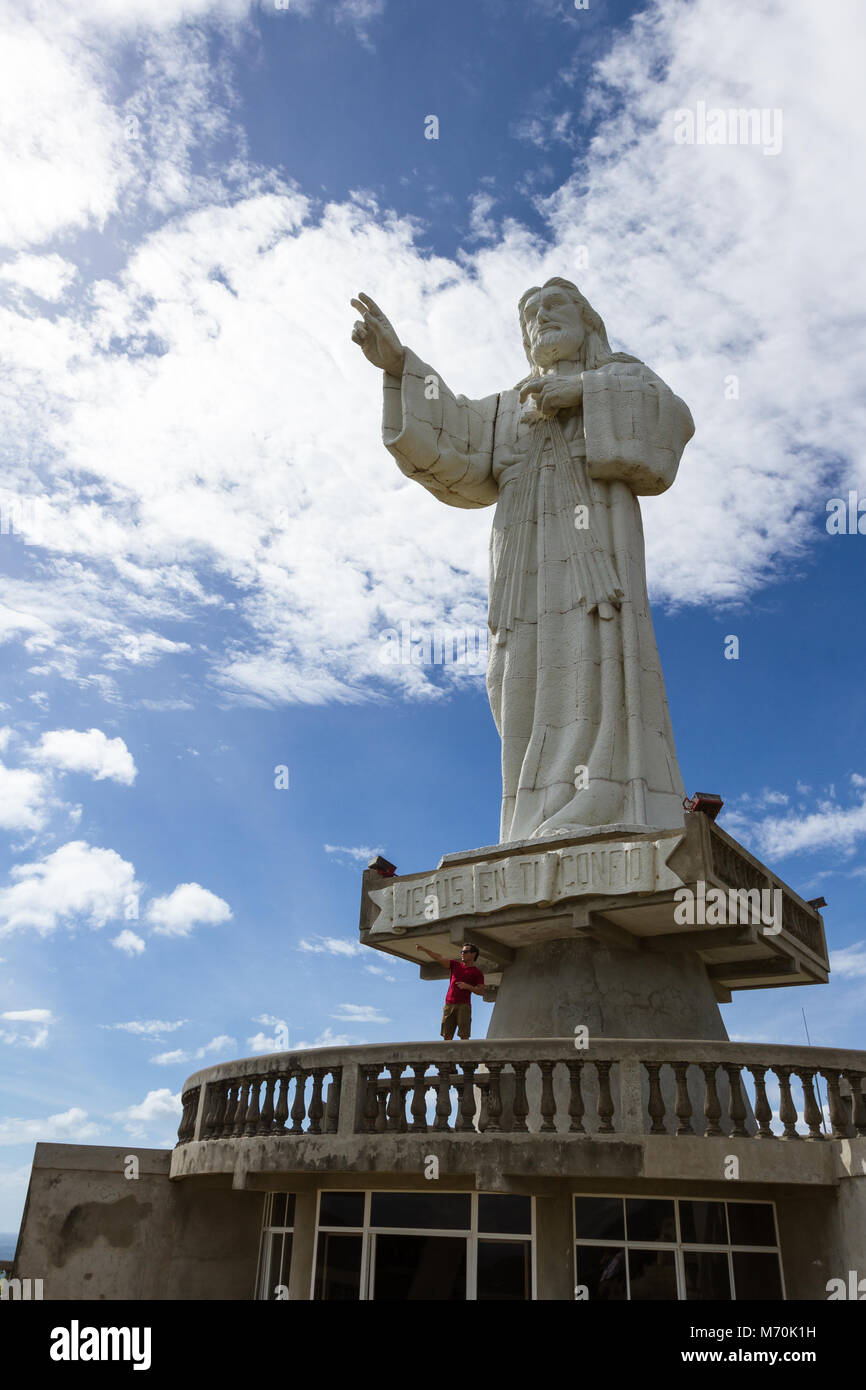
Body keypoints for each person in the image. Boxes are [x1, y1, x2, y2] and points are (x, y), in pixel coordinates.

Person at [350, 281, 694, 843]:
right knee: (515, 676)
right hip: (518, 566)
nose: (540, 319)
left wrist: (583, 393)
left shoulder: (621, 377)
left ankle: (601, 798)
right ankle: (532, 820)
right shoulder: (510, 407)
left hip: (594, 560)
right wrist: (399, 364)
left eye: (554, 307)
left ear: (588, 321)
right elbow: (451, 437)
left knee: (593, 656)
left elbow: (669, 421)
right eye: (530, 314)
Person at [416, 943, 484, 1039]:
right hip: (449, 1005)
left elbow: (481, 991)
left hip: (464, 1006)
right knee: (446, 1036)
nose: (462, 954)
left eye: (465, 952)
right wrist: (424, 949)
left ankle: (463, 1054)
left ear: (473, 954)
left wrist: (468, 987)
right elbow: (438, 957)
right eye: (461, 952)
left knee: (464, 1036)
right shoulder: (455, 965)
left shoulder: (477, 973)